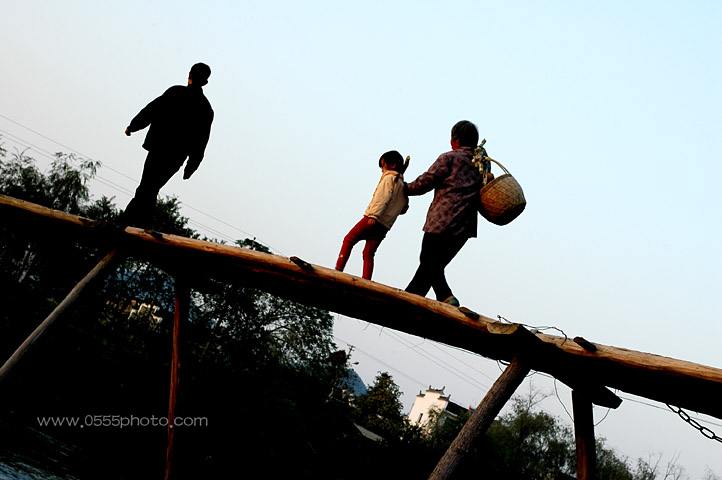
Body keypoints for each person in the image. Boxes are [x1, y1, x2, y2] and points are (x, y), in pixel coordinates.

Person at [117, 62, 214, 229]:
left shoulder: (175, 92)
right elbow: (201, 142)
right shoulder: (206, 109)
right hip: (176, 157)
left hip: (158, 149)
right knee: (150, 188)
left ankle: (127, 224)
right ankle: (141, 226)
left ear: (189, 75)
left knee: (148, 187)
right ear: (205, 82)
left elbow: (151, 110)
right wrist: (191, 167)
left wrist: (133, 126)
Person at [404, 120, 488, 306]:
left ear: (456, 140)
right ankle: (412, 300)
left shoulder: (449, 158)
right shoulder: (481, 166)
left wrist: (404, 188)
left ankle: (444, 296)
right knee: (430, 268)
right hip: (464, 228)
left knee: (428, 262)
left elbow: (425, 182)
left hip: (442, 221)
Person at [335, 150, 409, 280]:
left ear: (392, 165)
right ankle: (366, 279)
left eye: (383, 166)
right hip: (384, 226)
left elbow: (382, 198)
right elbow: (403, 208)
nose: (382, 170)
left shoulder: (389, 179)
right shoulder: (403, 186)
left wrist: (374, 215)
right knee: (368, 253)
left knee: (349, 239)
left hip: (373, 219)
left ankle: (338, 269)